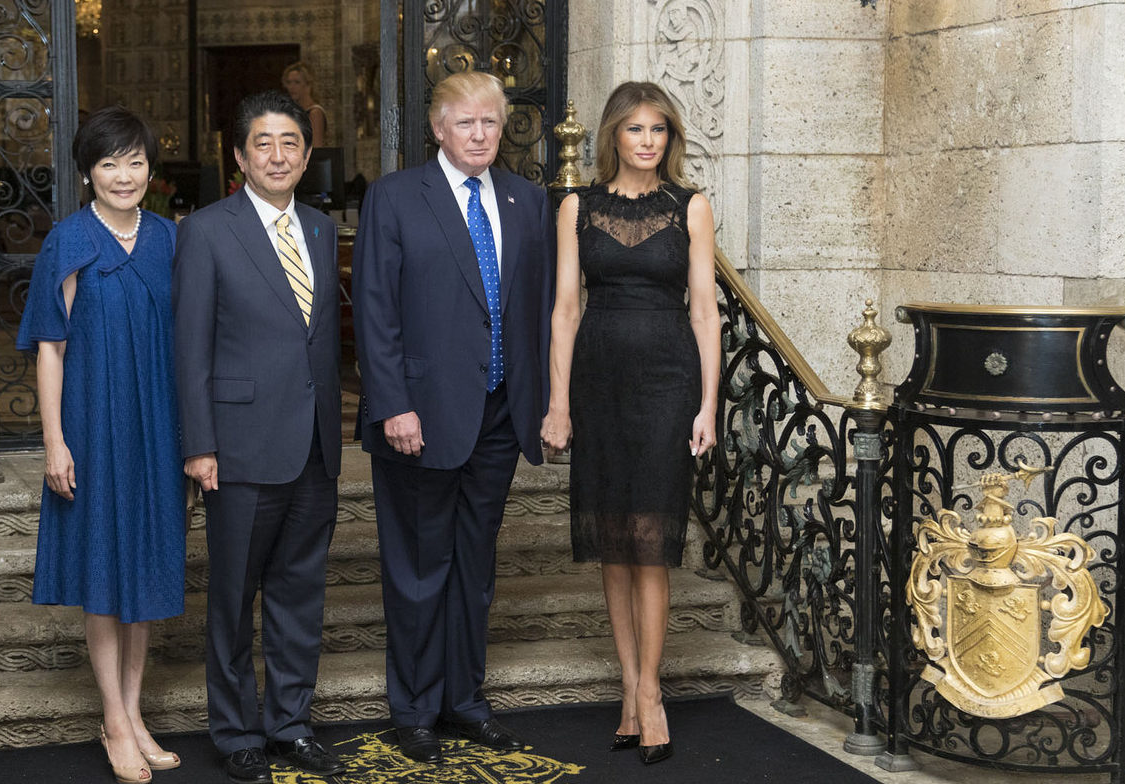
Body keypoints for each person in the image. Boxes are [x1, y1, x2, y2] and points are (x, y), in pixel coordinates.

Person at [351, 70, 555, 764]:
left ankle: (465, 701)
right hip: (421, 417)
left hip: (500, 413)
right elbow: (374, 310)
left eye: (490, 123)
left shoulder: (527, 201)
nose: (478, 134)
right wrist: (392, 405)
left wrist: (548, 403)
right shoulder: (396, 197)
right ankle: (413, 711)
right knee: (417, 571)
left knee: (475, 568)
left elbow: (541, 309)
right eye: (464, 122)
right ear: (437, 128)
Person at [539, 81, 720, 766]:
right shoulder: (576, 208)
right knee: (612, 543)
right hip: (599, 379)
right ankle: (628, 686)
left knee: (650, 541)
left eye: (660, 131)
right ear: (613, 134)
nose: (647, 142)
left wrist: (708, 405)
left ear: (670, 139)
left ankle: (650, 693)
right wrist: (558, 403)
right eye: (636, 130)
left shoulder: (690, 207)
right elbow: (564, 308)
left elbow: (706, 313)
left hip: (669, 380)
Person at [172, 91, 345, 784]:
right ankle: (237, 728)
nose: (278, 155)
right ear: (240, 156)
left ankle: (292, 723)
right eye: (263, 143)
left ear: (306, 155)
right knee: (234, 595)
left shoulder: (324, 229)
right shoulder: (208, 230)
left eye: (290, 143)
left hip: (314, 444)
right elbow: (191, 349)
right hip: (238, 445)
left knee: (300, 593)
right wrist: (200, 443)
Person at [15, 106, 185, 784]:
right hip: (94, 425)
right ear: (88, 172)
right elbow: (50, 350)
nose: (124, 175)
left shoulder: (172, 239)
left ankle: (136, 711)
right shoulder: (67, 240)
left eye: (136, 161)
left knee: (145, 570)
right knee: (103, 572)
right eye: (110, 162)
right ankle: (113, 717)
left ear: (151, 168)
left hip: (159, 427)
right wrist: (56, 442)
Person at [281, 61, 328, 147]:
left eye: (297, 82)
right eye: (289, 82)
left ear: (308, 85)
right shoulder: (294, 111)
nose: (292, 87)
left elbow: (316, 147)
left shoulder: (314, 113)